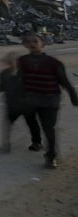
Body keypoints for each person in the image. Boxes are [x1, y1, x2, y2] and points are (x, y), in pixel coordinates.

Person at [17, 33, 78, 169]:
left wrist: (74, 97)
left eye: (35, 41)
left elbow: (65, 82)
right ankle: (36, 142)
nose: (32, 44)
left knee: (49, 129)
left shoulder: (54, 63)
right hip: (29, 100)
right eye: (28, 42)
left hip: (49, 100)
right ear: (25, 45)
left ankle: (51, 156)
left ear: (43, 44)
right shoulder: (22, 61)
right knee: (31, 122)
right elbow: (20, 80)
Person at [0, 52, 24, 153]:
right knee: (7, 124)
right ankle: (6, 145)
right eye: (8, 61)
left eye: (11, 61)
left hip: (26, 104)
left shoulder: (24, 72)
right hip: (11, 104)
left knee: (33, 123)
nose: (9, 63)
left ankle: (36, 142)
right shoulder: (4, 73)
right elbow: (0, 87)